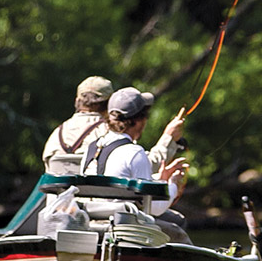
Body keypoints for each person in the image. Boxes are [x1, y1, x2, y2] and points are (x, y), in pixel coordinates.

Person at [81, 87, 191, 242]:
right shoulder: (134, 152)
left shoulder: (91, 148)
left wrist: (160, 179)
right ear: (140, 121)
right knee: (177, 233)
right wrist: (172, 184)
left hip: (91, 225)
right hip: (125, 231)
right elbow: (155, 208)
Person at [43, 76, 186, 175]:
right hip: (94, 212)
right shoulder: (109, 133)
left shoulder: (55, 135)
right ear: (110, 106)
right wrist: (168, 138)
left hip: (57, 213)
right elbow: (145, 166)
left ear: (76, 101)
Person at [42, 76, 113, 174]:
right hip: (95, 189)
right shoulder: (110, 132)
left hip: (59, 189)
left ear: (76, 101)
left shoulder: (57, 134)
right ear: (109, 104)